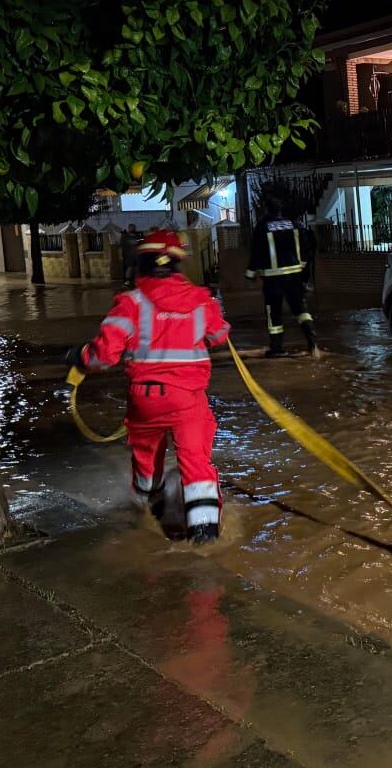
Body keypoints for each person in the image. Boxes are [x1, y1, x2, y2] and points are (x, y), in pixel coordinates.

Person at [66, 230, 231, 543]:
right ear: (177, 266)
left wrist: (78, 356)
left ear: (141, 264)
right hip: (187, 399)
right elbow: (219, 334)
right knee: (195, 460)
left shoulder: (130, 303)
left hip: (145, 399)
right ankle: (206, 535)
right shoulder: (201, 299)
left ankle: (150, 507)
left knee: (145, 454)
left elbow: (104, 355)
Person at [246, 187, 317, 357]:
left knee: (274, 313)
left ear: (266, 208)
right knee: (300, 308)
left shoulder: (263, 226)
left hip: (273, 279)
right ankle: (312, 342)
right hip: (294, 276)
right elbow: (307, 249)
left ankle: (277, 348)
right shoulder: (294, 224)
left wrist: (250, 274)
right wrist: (303, 269)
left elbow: (257, 251)